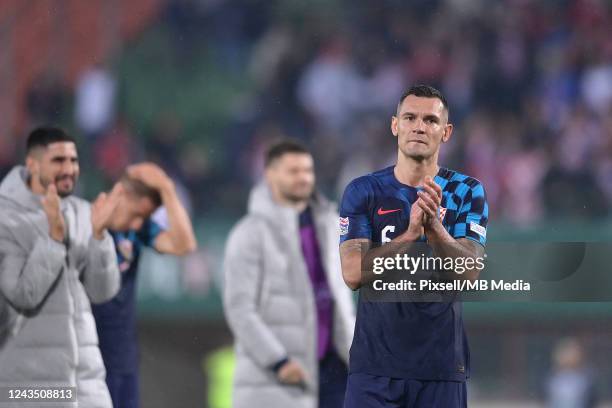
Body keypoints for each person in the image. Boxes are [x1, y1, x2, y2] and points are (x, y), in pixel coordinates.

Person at [339, 85, 489, 407]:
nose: (419, 126)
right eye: (410, 117)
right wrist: (408, 236)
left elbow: (469, 273)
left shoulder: (466, 191)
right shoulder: (363, 191)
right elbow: (352, 272)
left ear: (446, 132)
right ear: (395, 125)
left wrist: (434, 228)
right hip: (374, 369)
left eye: (430, 120)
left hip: (441, 368)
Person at [223, 140, 355, 408]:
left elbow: (341, 297)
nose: (303, 178)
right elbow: (240, 308)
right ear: (270, 175)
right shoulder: (249, 234)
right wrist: (278, 361)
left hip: (334, 369)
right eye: (293, 171)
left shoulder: (331, 224)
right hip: (278, 376)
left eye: (308, 170)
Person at [0, 126, 121, 408]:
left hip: (87, 385)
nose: (69, 169)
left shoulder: (80, 211)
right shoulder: (5, 218)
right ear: (32, 164)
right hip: (27, 388)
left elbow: (102, 292)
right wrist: (53, 239)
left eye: (74, 160)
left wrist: (100, 237)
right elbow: (22, 294)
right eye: (59, 161)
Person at [91, 162, 197, 408]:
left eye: (145, 217)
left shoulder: (138, 231)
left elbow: (185, 245)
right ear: (121, 194)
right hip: (88, 357)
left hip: (124, 356)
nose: (139, 223)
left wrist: (168, 189)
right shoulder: (85, 221)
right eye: (137, 214)